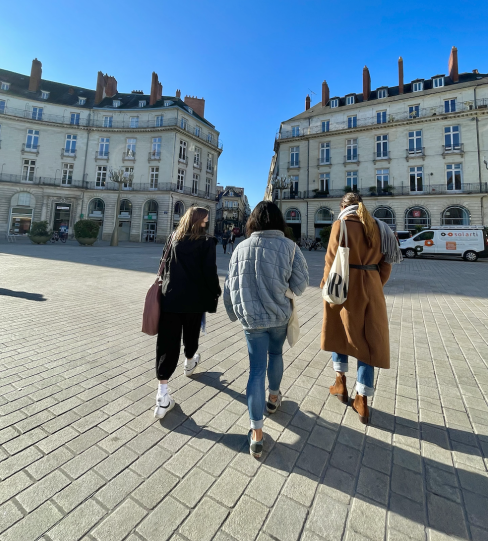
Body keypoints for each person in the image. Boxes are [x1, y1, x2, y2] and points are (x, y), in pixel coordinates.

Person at [224, 201, 309, 458]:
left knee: (255, 370)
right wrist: (285, 294)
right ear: (278, 221)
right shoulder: (290, 247)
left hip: (252, 320)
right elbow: (302, 282)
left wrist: (234, 312)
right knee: (277, 355)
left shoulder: (240, 247)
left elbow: (230, 284)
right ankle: (274, 398)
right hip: (280, 316)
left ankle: (257, 433)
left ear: (253, 222)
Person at [320, 192, 401, 424]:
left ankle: (340, 383)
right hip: (372, 287)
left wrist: (326, 287)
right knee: (369, 341)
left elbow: (331, 261)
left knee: (340, 333)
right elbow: (387, 265)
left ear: (343, 206)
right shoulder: (380, 227)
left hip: (344, 287)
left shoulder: (341, 225)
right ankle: (362, 400)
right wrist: (374, 283)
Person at [154, 206, 221, 419]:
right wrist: (216, 290)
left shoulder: (173, 238)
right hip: (194, 300)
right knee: (191, 334)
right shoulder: (206, 242)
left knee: (167, 343)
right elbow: (209, 272)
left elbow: (162, 266)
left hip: (170, 298)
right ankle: (190, 361)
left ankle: (162, 395)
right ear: (199, 221)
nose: (206, 224)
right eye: (205, 221)